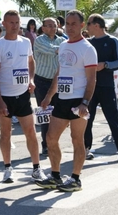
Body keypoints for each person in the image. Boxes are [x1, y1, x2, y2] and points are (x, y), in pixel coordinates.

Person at [35, 10, 97, 192]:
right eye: (67, 24)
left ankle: (75, 178)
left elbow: (92, 78)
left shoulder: (88, 49)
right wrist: (48, 96)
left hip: (78, 100)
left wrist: (85, 102)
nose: (70, 27)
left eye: (74, 24)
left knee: (77, 140)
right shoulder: (63, 46)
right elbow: (59, 73)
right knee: (50, 138)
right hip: (61, 99)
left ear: (81, 25)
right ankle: (55, 176)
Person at [0, 10, 46, 183]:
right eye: (11, 22)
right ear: (4, 24)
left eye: (17, 22)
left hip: (22, 95)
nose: (14, 26)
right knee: (5, 133)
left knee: (30, 132)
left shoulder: (26, 42)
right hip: (5, 96)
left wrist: (30, 79)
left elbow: (31, 62)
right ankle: (7, 168)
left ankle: (36, 168)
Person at [83, 14, 118, 162]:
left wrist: (105, 65)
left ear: (96, 25)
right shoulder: (87, 43)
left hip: (106, 86)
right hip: (90, 86)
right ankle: (85, 149)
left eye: (89, 24)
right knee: (86, 119)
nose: (87, 27)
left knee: (114, 118)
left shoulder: (112, 41)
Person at [33, 17, 65, 155]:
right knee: (45, 114)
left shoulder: (61, 40)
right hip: (42, 81)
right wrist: (66, 47)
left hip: (57, 82)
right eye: (49, 26)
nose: (52, 28)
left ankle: (54, 141)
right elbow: (53, 50)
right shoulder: (39, 40)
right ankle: (45, 144)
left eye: (54, 25)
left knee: (57, 115)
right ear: (43, 28)